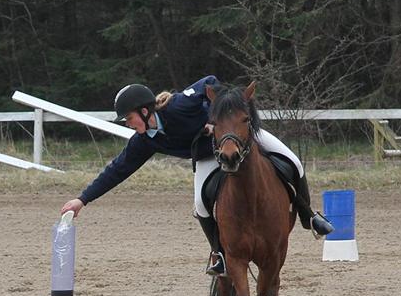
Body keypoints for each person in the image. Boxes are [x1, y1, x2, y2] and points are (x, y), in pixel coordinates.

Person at [59, 76, 332, 276]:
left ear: (145, 111)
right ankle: (220, 255)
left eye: (129, 118)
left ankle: (309, 215)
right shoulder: (145, 141)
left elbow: (210, 82)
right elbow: (117, 169)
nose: (128, 125)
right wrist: (82, 200)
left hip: (236, 135)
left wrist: (216, 118)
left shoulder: (179, 105)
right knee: (201, 206)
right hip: (206, 157)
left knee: (293, 161)